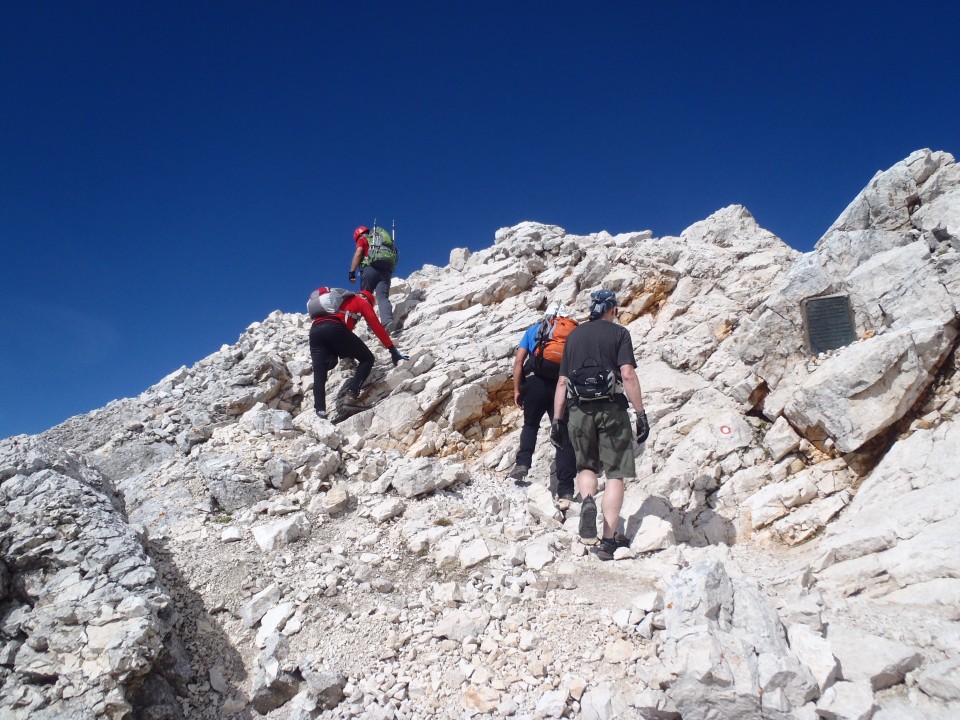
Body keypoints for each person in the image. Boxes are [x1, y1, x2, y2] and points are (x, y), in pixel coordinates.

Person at [552, 289, 650, 561]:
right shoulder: (620, 334)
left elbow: (562, 382)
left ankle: (587, 501)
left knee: (585, 467)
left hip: (578, 410)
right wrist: (640, 414)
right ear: (613, 310)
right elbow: (627, 374)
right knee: (615, 473)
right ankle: (607, 541)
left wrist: (558, 421)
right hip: (612, 409)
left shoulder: (573, 336)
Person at [509, 303, 577, 501]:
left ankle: (522, 465)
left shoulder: (535, 330)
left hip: (535, 383)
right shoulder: (572, 332)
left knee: (530, 425)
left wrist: (517, 389)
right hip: (562, 386)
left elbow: (518, 361)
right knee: (562, 433)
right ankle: (565, 489)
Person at [309, 288, 407, 420]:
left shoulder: (338, 302)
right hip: (334, 328)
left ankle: (320, 412)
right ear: (368, 300)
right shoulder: (362, 301)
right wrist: (391, 349)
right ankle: (351, 396)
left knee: (320, 372)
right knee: (367, 359)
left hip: (315, 331)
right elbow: (375, 324)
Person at [349, 225, 397, 331]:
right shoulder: (379, 240)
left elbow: (358, 253)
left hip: (369, 269)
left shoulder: (363, 239)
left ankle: (372, 327)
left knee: (365, 298)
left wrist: (352, 272)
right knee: (383, 297)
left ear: (359, 235)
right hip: (385, 270)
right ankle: (388, 321)